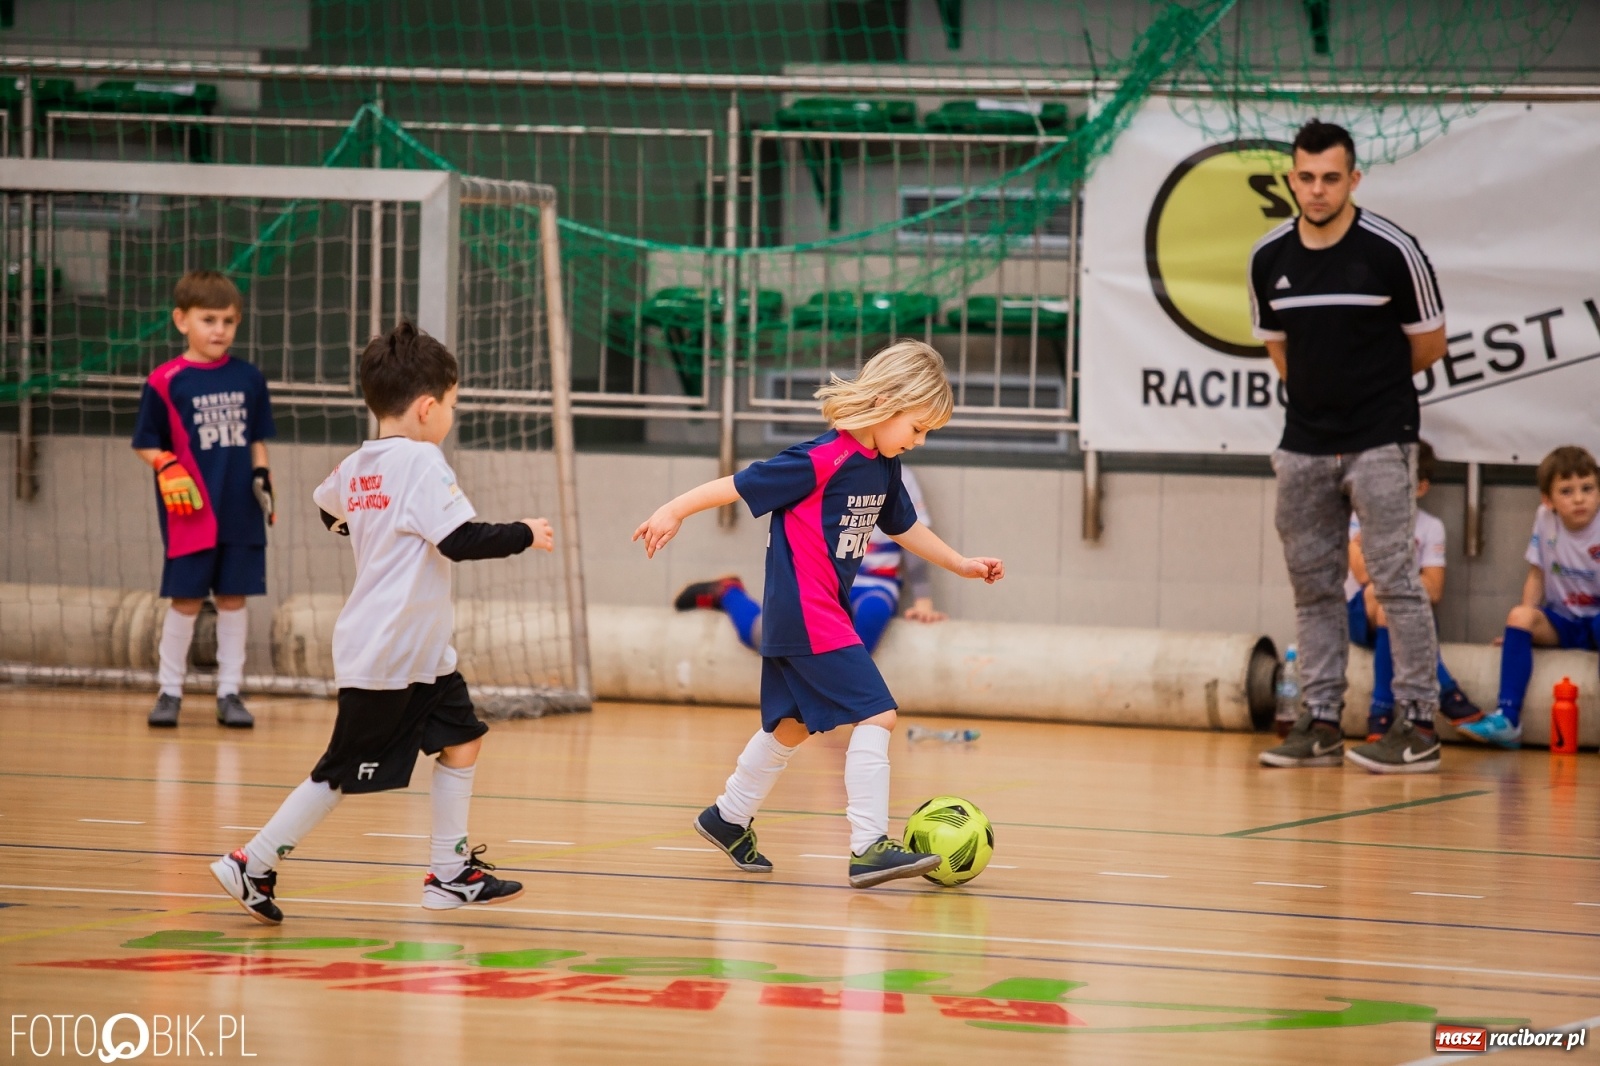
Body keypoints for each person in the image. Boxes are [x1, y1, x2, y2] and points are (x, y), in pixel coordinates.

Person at [210, 322, 554, 925]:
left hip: (418, 649)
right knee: (340, 771)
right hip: (390, 650)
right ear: (427, 408)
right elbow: (459, 541)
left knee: (463, 737)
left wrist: (366, 531)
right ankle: (252, 860)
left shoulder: (360, 463)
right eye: (451, 404)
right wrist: (526, 533)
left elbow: (326, 504)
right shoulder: (423, 462)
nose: (451, 414)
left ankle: (449, 876)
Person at [632, 339, 1004, 888]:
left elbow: (904, 529)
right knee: (877, 715)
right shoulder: (820, 459)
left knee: (791, 726)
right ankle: (869, 845)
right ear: (885, 402)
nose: (919, 441)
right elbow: (738, 484)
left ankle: (728, 816)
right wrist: (672, 509)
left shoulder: (883, 467)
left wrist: (961, 564)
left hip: (818, 612)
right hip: (806, 611)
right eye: (917, 427)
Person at [1251, 119, 1450, 774]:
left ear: (1353, 179)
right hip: (1303, 445)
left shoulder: (1392, 250)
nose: (1317, 190)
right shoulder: (1268, 257)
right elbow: (1278, 348)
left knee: (1396, 579)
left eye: (1330, 178)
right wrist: (1319, 407)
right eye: (1305, 177)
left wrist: (1366, 401)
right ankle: (1322, 721)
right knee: (1313, 587)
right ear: (1291, 179)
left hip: (1381, 439)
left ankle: (1417, 723)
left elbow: (1428, 344)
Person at [132, 271, 276, 729]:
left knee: (234, 600)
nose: (220, 330)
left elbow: (257, 439)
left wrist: (263, 478)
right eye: (208, 319)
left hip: (240, 510)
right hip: (189, 514)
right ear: (181, 320)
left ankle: (230, 691)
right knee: (186, 601)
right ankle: (169, 691)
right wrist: (165, 465)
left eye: (229, 320)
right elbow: (145, 441)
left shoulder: (249, 378)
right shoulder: (164, 381)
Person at [673, 465, 946, 652]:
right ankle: (728, 593)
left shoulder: (896, 476)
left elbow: (913, 533)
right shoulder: (816, 465)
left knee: (870, 615)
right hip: (820, 582)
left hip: (874, 582)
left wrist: (923, 599)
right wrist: (675, 510)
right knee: (767, 637)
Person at [1458, 446, 1600, 749]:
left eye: (1587, 488)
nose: (1579, 499)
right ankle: (1508, 718)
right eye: (1567, 491)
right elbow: (1536, 575)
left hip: (1598, 619)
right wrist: (1518, 634)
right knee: (1519, 616)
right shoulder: (1544, 519)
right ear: (1547, 500)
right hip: (1563, 621)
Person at [1346, 439, 1481, 739]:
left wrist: (1388, 573)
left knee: (1391, 605)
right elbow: (1363, 574)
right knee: (1382, 597)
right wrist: (1407, 577)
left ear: (1420, 488)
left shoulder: (1431, 527)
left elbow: (1434, 591)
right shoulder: (1361, 516)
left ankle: (1379, 714)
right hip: (1358, 614)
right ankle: (1447, 693)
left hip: (1403, 613)